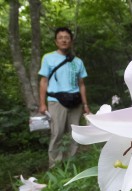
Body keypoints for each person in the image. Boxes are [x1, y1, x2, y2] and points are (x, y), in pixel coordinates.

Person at [38, 27, 90, 168]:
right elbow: (43, 81)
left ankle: (70, 163)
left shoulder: (78, 61)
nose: (64, 40)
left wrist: (85, 105)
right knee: (57, 133)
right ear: (56, 41)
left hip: (75, 101)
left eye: (66, 37)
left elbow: (81, 84)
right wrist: (42, 104)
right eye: (60, 37)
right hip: (56, 101)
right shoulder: (48, 58)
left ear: (71, 41)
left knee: (75, 133)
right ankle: (54, 166)